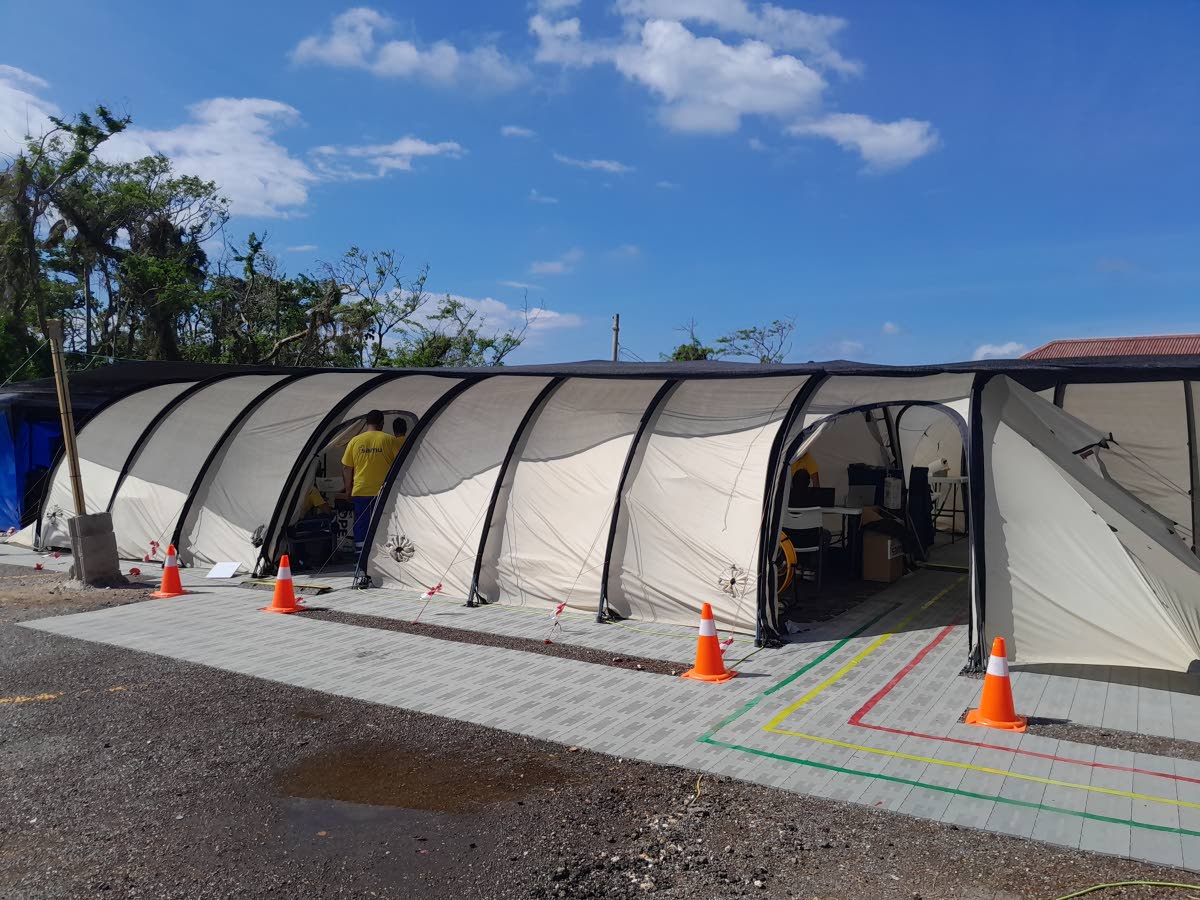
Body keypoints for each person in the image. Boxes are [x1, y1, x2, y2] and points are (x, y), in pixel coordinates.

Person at [341, 410, 398, 552]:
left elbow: (346, 467)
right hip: (384, 492)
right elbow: (399, 465)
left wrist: (348, 489)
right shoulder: (390, 440)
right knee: (383, 523)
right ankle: (382, 556)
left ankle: (360, 559)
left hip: (361, 490)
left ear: (367, 423)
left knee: (361, 523)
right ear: (382, 423)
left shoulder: (355, 441)